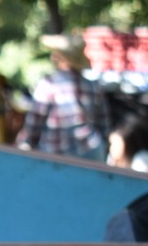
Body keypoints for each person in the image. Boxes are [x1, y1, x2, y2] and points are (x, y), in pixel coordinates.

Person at [16, 33, 109, 161]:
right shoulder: (93, 86)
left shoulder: (49, 84)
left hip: (57, 154)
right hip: (92, 151)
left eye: (56, 54)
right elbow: (103, 124)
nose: (53, 57)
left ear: (61, 58)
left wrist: (25, 145)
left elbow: (34, 123)